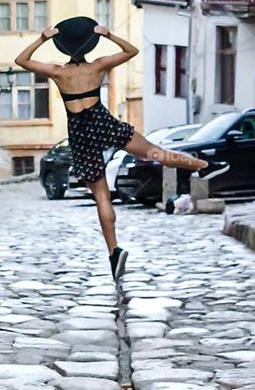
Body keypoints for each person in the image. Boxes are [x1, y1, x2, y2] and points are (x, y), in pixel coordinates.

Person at [15, 16, 207, 280]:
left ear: (63, 46)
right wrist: (108, 34)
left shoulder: (59, 72)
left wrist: (42, 38)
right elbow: (132, 51)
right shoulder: (98, 67)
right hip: (103, 122)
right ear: (90, 44)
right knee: (157, 153)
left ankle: (114, 252)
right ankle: (202, 166)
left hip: (81, 134)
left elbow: (21, 61)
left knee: (102, 197)